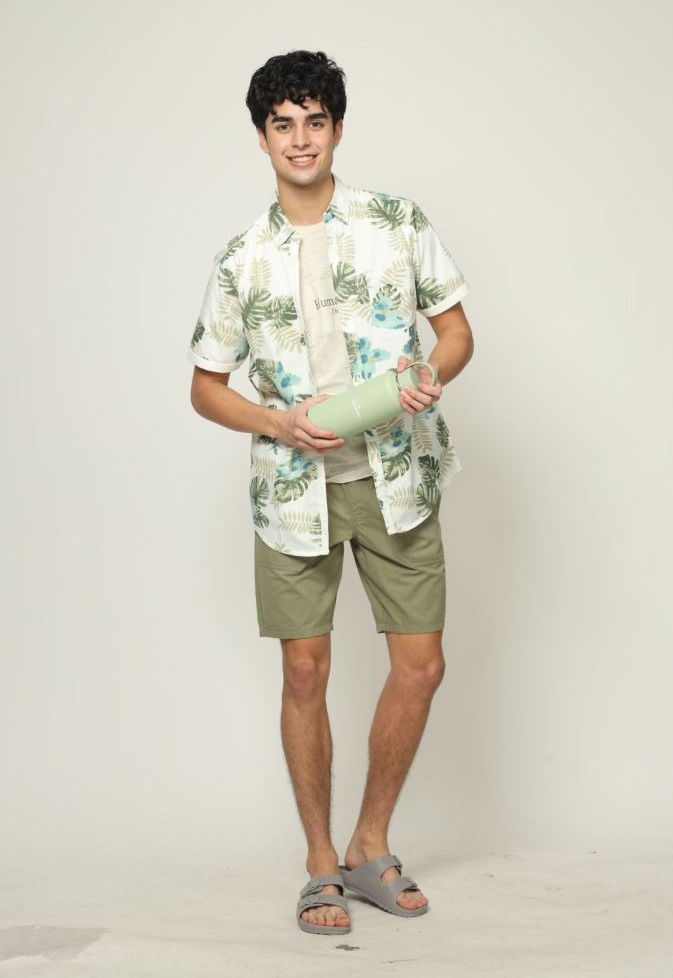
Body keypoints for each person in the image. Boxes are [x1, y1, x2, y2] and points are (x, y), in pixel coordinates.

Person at [187, 50, 474, 935]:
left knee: (420, 667)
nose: (300, 139)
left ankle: (368, 844)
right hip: (292, 490)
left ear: (337, 129)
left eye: (315, 121)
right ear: (262, 138)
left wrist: (428, 374)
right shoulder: (239, 259)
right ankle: (320, 862)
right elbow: (205, 387)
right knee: (304, 670)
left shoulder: (396, 222)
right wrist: (277, 424)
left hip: (397, 477)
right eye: (283, 124)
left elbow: (455, 333)